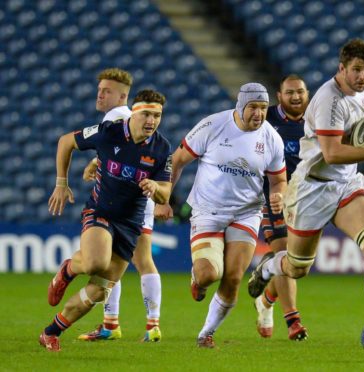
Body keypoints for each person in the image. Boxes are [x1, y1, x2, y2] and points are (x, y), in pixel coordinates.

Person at [248, 38, 364, 355]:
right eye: (356, 70)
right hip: (313, 187)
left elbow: (362, 128)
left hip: (346, 184)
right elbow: (331, 154)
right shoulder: (327, 101)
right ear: (341, 68)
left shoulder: (363, 93)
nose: (362, 77)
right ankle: (267, 269)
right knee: (297, 268)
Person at [155, 83, 287, 348]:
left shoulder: (271, 138)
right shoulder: (213, 125)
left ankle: (206, 333)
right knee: (208, 275)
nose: (259, 114)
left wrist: (279, 194)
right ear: (241, 106)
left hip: (247, 213)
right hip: (208, 210)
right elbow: (177, 160)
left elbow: (279, 180)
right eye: (253, 108)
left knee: (234, 276)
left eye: (263, 108)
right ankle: (198, 280)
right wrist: (164, 198)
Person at [39, 89, 172, 352]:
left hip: (130, 225)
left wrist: (154, 188)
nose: (152, 120)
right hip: (100, 212)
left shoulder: (161, 147)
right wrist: (61, 183)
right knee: (95, 262)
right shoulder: (108, 131)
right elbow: (66, 141)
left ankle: (51, 332)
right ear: (134, 112)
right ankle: (68, 269)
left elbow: (166, 191)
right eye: (147, 113)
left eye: (157, 115)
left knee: (99, 291)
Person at [79, 68, 164, 343]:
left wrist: (96, 162)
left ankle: (118, 325)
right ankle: (136, 324)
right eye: (99, 89)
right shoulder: (126, 117)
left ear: (122, 96)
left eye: (106, 90)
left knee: (127, 261)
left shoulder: (118, 117)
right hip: (141, 194)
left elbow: (125, 151)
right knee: (141, 260)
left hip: (131, 200)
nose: (100, 94)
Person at [254, 75, 310, 341]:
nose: (296, 97)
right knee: (285, 252)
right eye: (290, 93)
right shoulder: (266, 122)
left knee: (296, 264)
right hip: (273, 196)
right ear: (280, 96)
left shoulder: (317, 121)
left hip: (307, 200)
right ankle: (293, 321)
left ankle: (266, 300)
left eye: (300, 92)